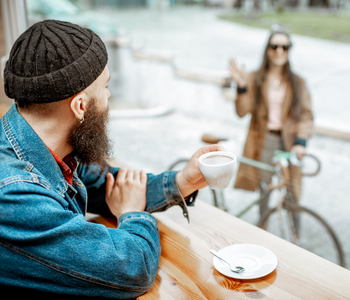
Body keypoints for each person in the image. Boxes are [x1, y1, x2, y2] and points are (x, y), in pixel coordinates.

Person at [0, 20, 222, 298]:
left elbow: (106, 184)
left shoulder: (42, 142)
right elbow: (131, 267)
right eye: (105, 87)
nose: (108, 96)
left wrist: (181, 181)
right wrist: (133, 214)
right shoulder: (14, 193)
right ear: (80, 106)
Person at [229, 25, 314, 219]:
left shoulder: (297, 82)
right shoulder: (254, 78)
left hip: (290, 142)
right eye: (274, 46)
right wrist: (241, 86)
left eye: (285, 47)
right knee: (265, 191)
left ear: (289, 50)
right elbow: (242, 111)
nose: (279, 51)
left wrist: (301, 143)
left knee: (291, 192)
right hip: (263, 140)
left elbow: (306, 115)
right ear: (267, 49)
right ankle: (263, 227)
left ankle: (295, 237)